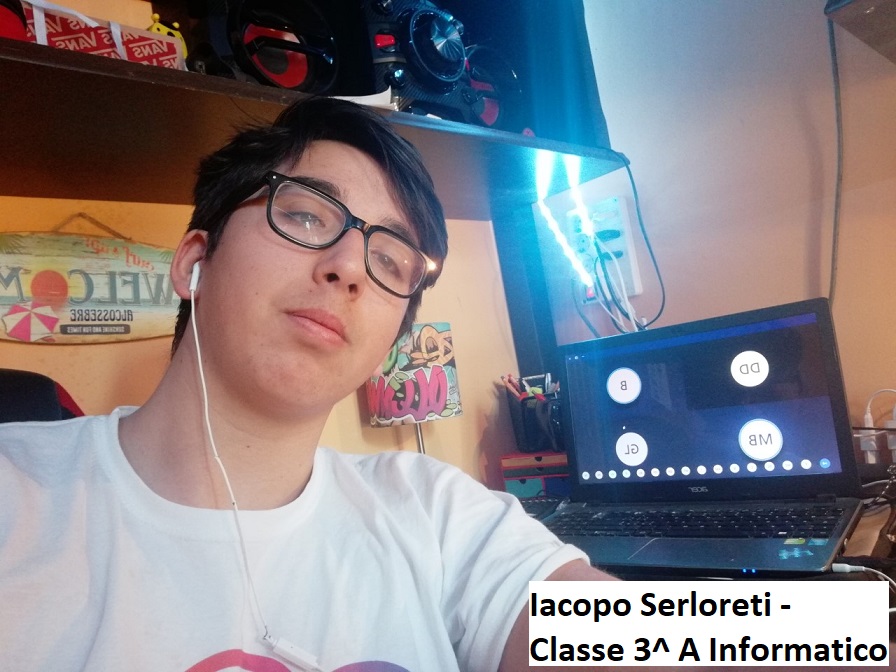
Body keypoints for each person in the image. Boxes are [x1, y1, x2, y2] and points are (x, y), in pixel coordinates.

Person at [0, 96, 611, 672]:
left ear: (390, 344)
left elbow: (637, 636)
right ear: (194, 262)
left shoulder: (436, 513)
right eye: (305, 214)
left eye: (389, 259)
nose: (349, 267)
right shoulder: (17, 496)